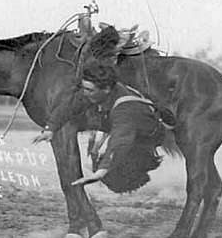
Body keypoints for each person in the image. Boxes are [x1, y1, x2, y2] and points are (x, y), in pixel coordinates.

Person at [32, 60, 165, 193]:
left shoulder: (125, 111)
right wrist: (50, 129)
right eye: (84, 88)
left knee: (118, 178)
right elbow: (69, 106)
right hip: (117, 124)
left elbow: (119, 141)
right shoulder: (94, 92)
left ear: (106, 89)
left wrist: (101, 171)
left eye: (89, 90)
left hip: (144, 136)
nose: (85, 92)